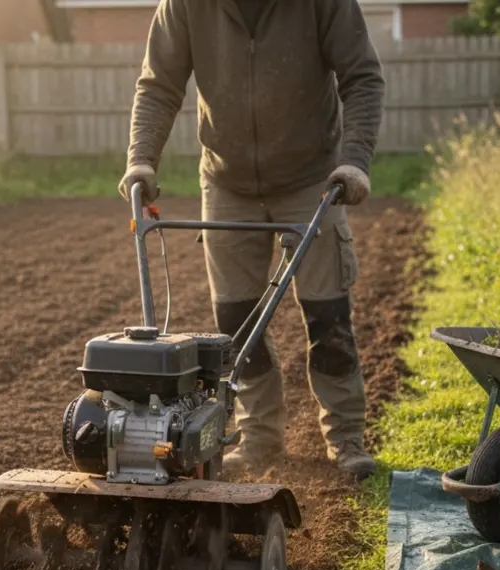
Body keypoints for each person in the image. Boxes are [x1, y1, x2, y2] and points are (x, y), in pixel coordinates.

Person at [118, 0, 385, 480]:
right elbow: (158, 85)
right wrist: (141, 159)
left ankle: (345, 438)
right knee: (237, 323)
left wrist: (355, 161)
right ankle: (259, 436)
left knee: (328, 316)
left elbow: (362, 77)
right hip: (227, 181)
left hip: (313, 178)